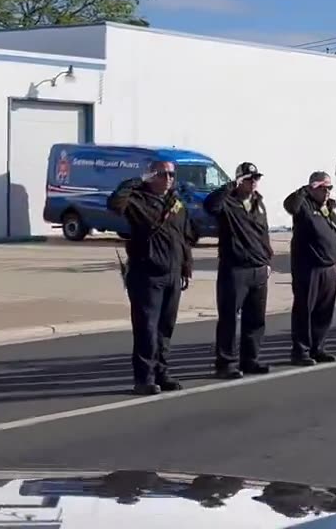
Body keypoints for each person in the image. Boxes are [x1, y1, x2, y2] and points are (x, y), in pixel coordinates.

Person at [107, 160, 196, 395]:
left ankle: (161, 373)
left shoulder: (176, 204)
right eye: (162, 174)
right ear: (150, 176)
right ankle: (144, 378)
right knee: (146, 328)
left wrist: (186, 266)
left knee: (165, 329)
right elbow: (115, 204)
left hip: (172, 273)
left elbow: (184, 237)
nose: (168, 178)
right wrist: (134, 182)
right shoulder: (138, 200)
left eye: (171, 174)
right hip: (147, 274)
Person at [204, 162, 274, 379]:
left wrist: (267, 259)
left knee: (255, 318)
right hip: (235, 269)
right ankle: (225, 363)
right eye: (248, 179)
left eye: (256, 178)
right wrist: (229, 186)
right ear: (239, 181)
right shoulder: (228, 202)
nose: (253, 182)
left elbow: (263, 233)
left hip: (258, 267)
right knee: (229, 319)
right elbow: (210, 206)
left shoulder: (258, 203)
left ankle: (250, 359)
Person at [282, 171, 336, 366]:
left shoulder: (333, 207)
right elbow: (290, 205)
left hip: (329, 267)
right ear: (313, 188)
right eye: (323, 188)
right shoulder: (303, 205)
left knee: (324, 310)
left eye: (329, 188)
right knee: (304, 310)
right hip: (308, 267)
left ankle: (318, 347)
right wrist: (304, 190)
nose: (327, 192)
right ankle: (300, 351)